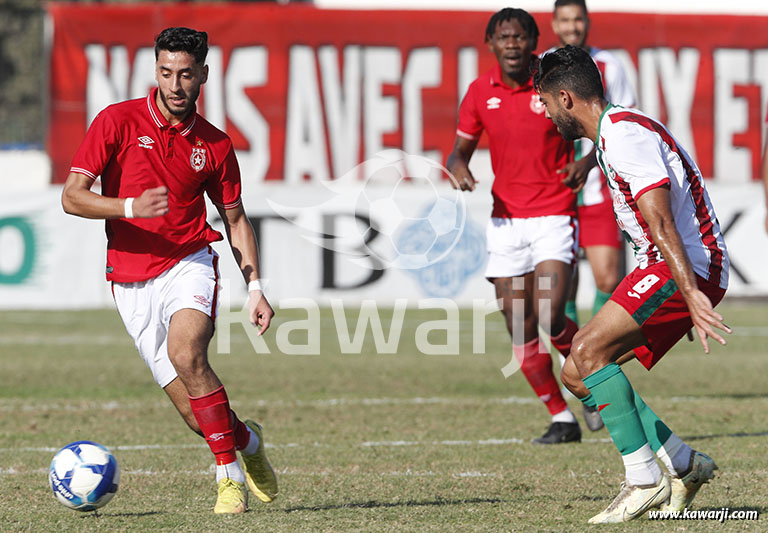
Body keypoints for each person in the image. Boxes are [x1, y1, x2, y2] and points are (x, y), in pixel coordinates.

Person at [61, 27, 278, 514]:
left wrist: (257, 288)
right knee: (195, 415)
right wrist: (130, 207)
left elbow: (236, 220)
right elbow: (71, 197)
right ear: (155, 71)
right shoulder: (116, 121)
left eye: (185, 74)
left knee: (187, 353)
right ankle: (247, 443)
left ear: (203, 73)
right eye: (165, 73)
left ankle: (228, 482)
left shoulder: (215, 146)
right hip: (130, 280)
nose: (174, 85)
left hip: (189, 262)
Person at [534, 45, 730, 523]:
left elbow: (662, 224)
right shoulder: (612, 134)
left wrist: (689, 295)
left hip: (684, 266)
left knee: (585, 349)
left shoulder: (623, 136)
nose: (541, 111)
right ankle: (682, 464)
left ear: (565, 98)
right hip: (667, 266)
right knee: (578, 373)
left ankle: (643, 480)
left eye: (542, 100)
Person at [447, 8, 587, 444]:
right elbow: (459, 152)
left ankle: (595, 386)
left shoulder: (553, 81)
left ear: (533, 41)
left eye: (520, 36)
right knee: (521, 325)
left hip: (554, 214)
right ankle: (561, 417)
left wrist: (586, 161)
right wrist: (458, 168)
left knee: (549, 312)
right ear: (490, 42)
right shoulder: (478, 92)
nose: (512, 44)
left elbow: (599, 128)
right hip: (506, 222)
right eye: (504, 37)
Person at [549, 0, 636, 433]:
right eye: (565, 20)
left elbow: (622, 121)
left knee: (606, 279)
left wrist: (589, 163)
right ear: (554, 24)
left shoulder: (610, 65)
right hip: (557, 193)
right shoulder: (546, 68)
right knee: (563, 285)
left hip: (599, 190)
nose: (572, 26)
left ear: (587, 22)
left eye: (578, 19)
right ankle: (581, 368)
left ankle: (591, 358)